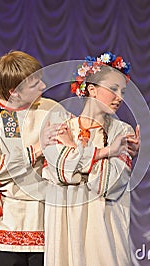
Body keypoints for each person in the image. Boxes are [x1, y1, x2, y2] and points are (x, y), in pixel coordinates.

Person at [0, 50, 68, 266]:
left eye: (41, 80)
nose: (43, 87)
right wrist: (38, 150)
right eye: (35, 85)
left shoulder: (52, 109)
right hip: (4, 222)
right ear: (14, 92)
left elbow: (69, 157)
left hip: (45, 220)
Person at [42, 52, 141, 266]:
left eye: (122, 91)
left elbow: (107, 184)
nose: (120, 97)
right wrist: (103, 155)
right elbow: (60, 172)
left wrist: (72, 151)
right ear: (92, 89)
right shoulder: (61, 127)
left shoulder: (121, 132)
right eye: (113, 89)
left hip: (104, 232)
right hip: (65, 233)